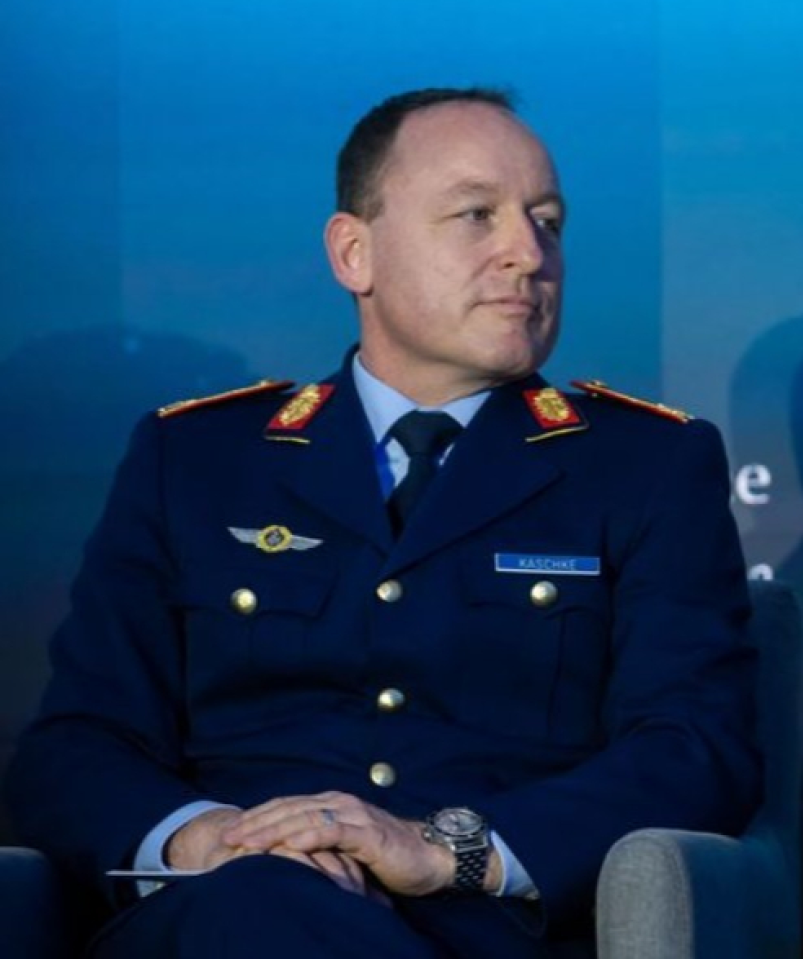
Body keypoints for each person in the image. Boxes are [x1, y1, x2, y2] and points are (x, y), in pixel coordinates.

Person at [4, 88, 759, 957]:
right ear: (353, 253)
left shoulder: (644, 464)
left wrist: (443, 850)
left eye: (547, 222)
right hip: (214, 915)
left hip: (476, 931)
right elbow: (76, 745)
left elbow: (694, 750)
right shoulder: (196, 460)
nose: (528, 253)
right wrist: (209, 839)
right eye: (477, 215)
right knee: (254, 901)